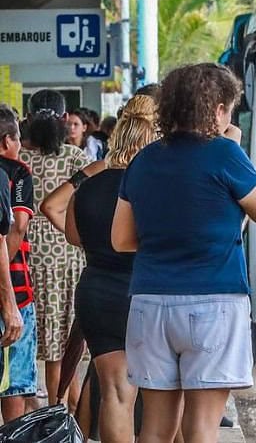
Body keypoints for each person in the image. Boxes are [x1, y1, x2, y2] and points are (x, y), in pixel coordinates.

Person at [112, 63, 256, 443]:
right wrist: (235, 148)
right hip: (213, 303)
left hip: (150, 303)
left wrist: (167, 238)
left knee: (154, 429)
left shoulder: (144, 159)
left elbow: (121, 239)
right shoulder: (225, 154)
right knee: (201, 429)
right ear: (218, 109)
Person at [42, 95, 157, 442]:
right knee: (159, 397)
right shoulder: (153, 185)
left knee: (115, 393)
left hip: (97, 292)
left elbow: (75, 237)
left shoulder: (88, 184)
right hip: (145, 292)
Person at [20, 89, 90, 408]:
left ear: (28, 120)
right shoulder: (78, 160)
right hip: (70, 259)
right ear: (64, 120)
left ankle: (42, 410)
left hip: (24, 259)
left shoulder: (17, 159)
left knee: (33, 345)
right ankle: (63, 413)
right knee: (65, 347)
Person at [0, 106, 36, 421]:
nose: (20, 145)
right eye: (17, 138)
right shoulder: (18, 172)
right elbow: (19, 224)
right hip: (16, 288)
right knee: (15, 383)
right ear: (5, 141)